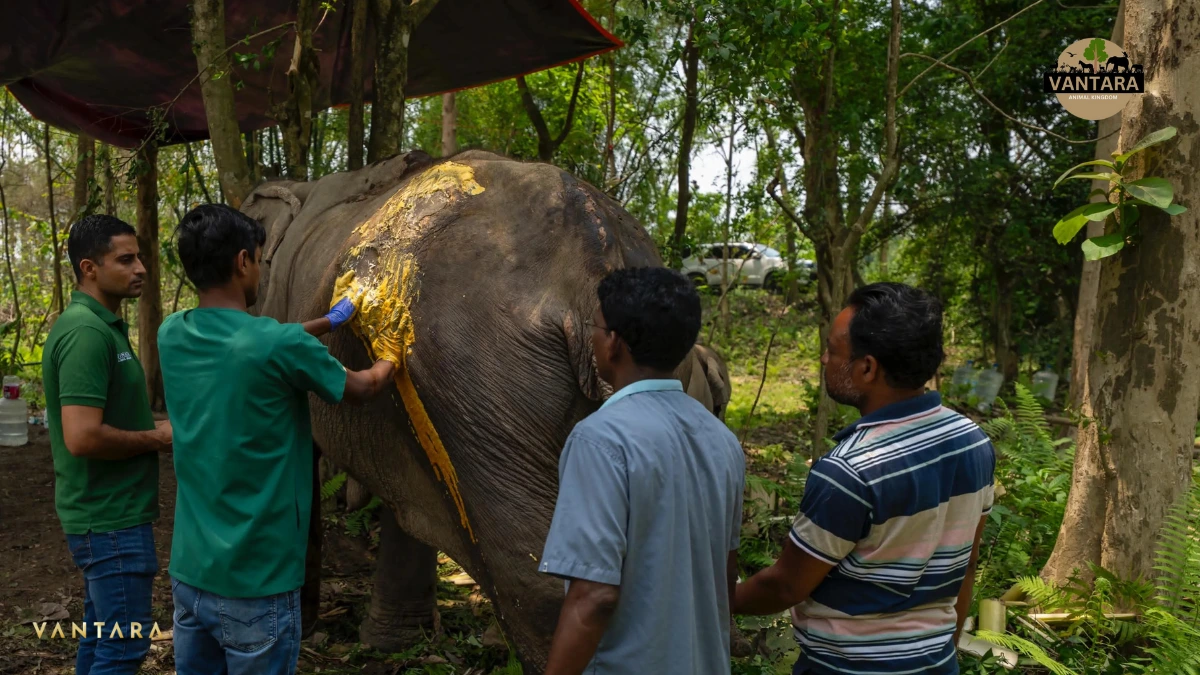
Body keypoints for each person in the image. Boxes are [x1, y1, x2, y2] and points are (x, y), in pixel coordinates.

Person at [158, 204, 396, 675]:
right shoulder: (278, 346)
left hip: (190, 575)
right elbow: (365, 387)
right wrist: (395, 345)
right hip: (258, 582)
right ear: (243, 261)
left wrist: (329, 323)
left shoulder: (173, 333)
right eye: (260, 262)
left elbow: (259, 343)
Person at [733, 282, 996, 675]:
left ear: (867, 368)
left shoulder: (849, 470)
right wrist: (945, 649)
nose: (823, 359)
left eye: (832, 350)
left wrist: (719, 598)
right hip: (937, 661)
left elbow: (785, 587)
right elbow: (968, 564)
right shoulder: (972, 442)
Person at [538, 267, 745, 675]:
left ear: (614, 343)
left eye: (594, 327)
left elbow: (594, 597)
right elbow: (727, 572)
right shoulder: (722, 440)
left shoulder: (600, 440)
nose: (592, 336)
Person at [42, 214, 173, 675]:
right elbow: (81, 435)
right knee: (124, 649)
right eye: (125, 259)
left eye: (139, 257)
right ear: (89, 268)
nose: (140, 268)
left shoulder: (103, 326)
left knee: (102, 639)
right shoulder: (86, 333)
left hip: (111, 517)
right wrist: (158, 438)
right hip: (109, 521)